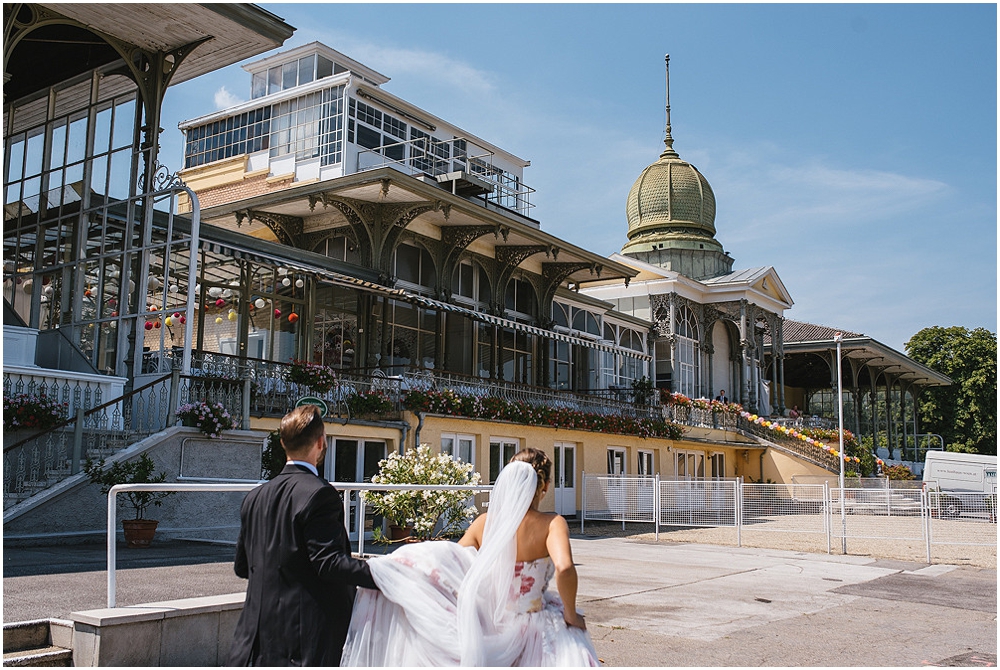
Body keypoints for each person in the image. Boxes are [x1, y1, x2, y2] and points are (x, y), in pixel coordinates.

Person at [341, 448, 598, 666]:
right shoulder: (552, 523)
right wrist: (571, 615)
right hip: (538, 625)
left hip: (491, 624)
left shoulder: (485, 523)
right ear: (545, 485)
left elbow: (452, 561)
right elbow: (564, 568)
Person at [227, 405, 377, 667]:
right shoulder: (321, 494)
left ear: (283, 443)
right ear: (321, 443)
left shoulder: (255, 497)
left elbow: (243, 566)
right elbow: (329, 563)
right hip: (303, 643)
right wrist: (385, 574)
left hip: (254, 642)